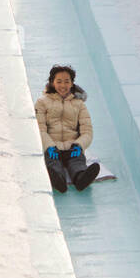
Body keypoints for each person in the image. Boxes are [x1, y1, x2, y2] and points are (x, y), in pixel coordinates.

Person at [35, 63, 100, 192]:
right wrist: (49, 146)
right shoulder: (42, 102)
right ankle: (57, 178)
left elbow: (87, 131)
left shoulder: (79, 104)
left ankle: (81, 178)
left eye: (66, 81)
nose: (63, 85)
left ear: (72, 83)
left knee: (77, 161)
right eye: (59, 81)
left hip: (72, 146)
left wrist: (79, 145)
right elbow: (40, 129)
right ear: (52, 82)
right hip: (53, 146)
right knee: (54, 162)